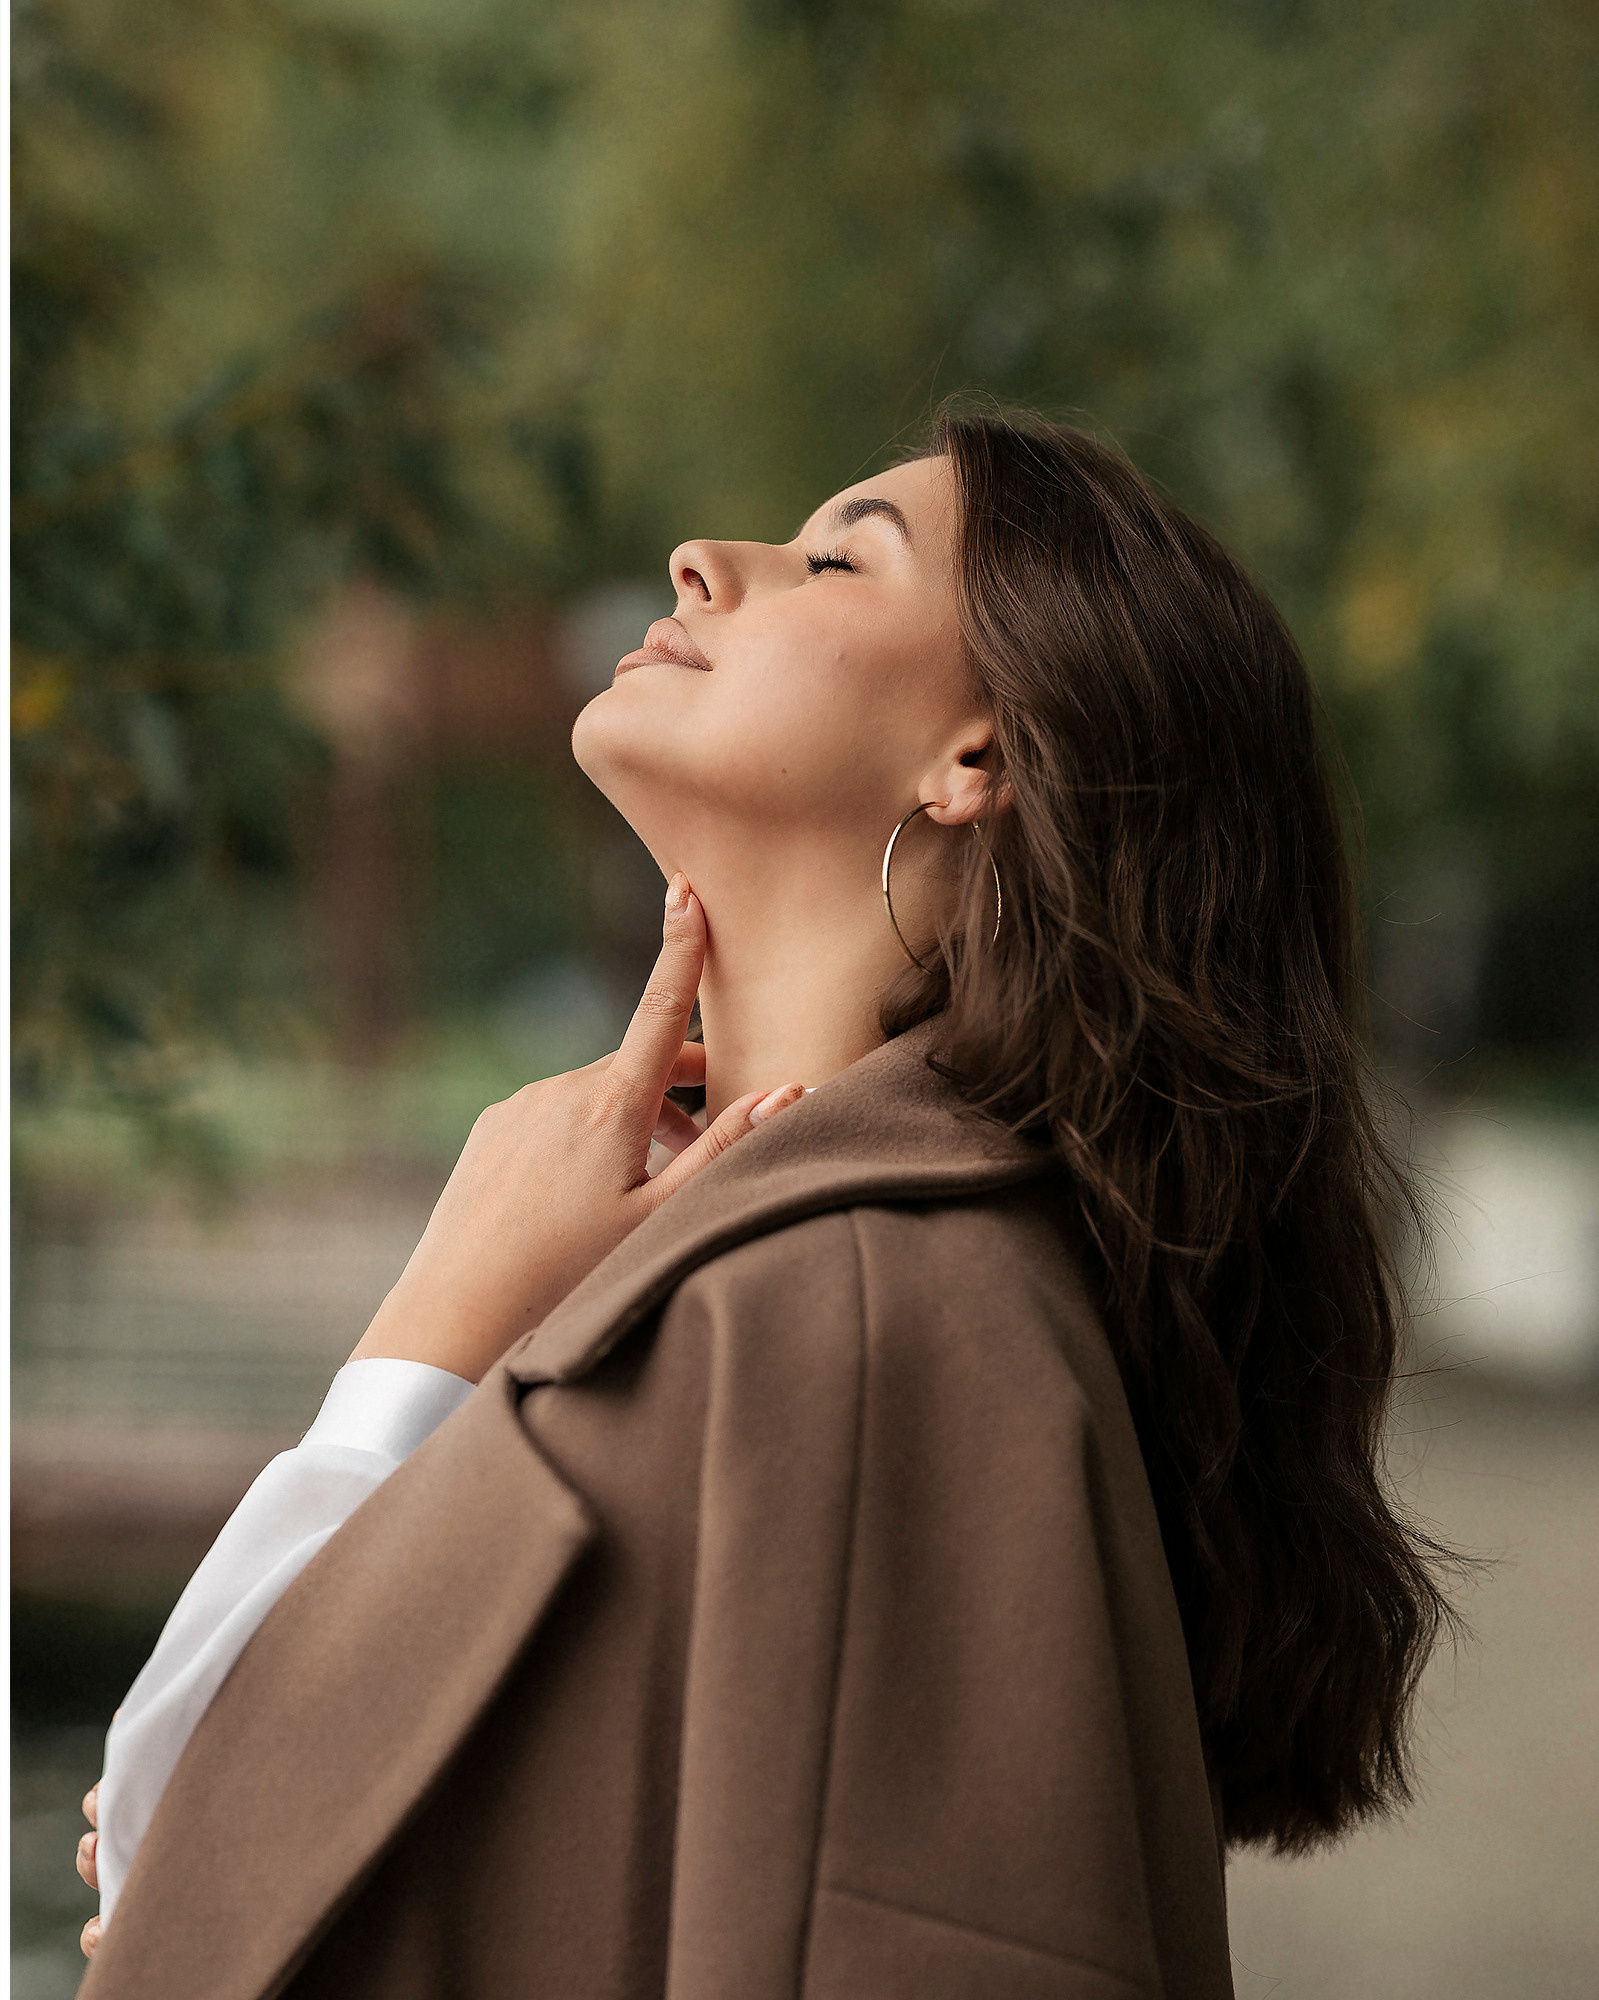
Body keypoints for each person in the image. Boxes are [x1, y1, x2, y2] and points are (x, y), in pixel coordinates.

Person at [76, 409, 1450, 1999]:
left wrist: (433, 1330)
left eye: (832, 558)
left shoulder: (862, 1304)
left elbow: (174, 1868)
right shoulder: (801, 1273)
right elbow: (197, 1841)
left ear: (979, 757)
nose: (701, 563)